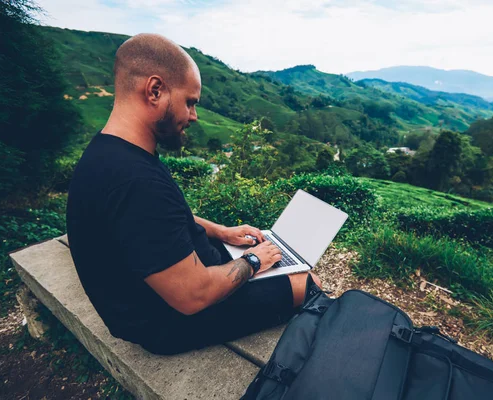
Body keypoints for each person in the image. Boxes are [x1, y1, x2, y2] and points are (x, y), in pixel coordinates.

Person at [66, 33, 321, 355]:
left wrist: (221, 232)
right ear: (155, 90)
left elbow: (155, 221)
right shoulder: (134, 180)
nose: (194, 116)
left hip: (159, 291)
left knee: (276, 262)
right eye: (190, 102)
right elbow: (193, 296)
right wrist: (254, 262)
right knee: (306, 281)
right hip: (166, 321)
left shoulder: (110, 152)